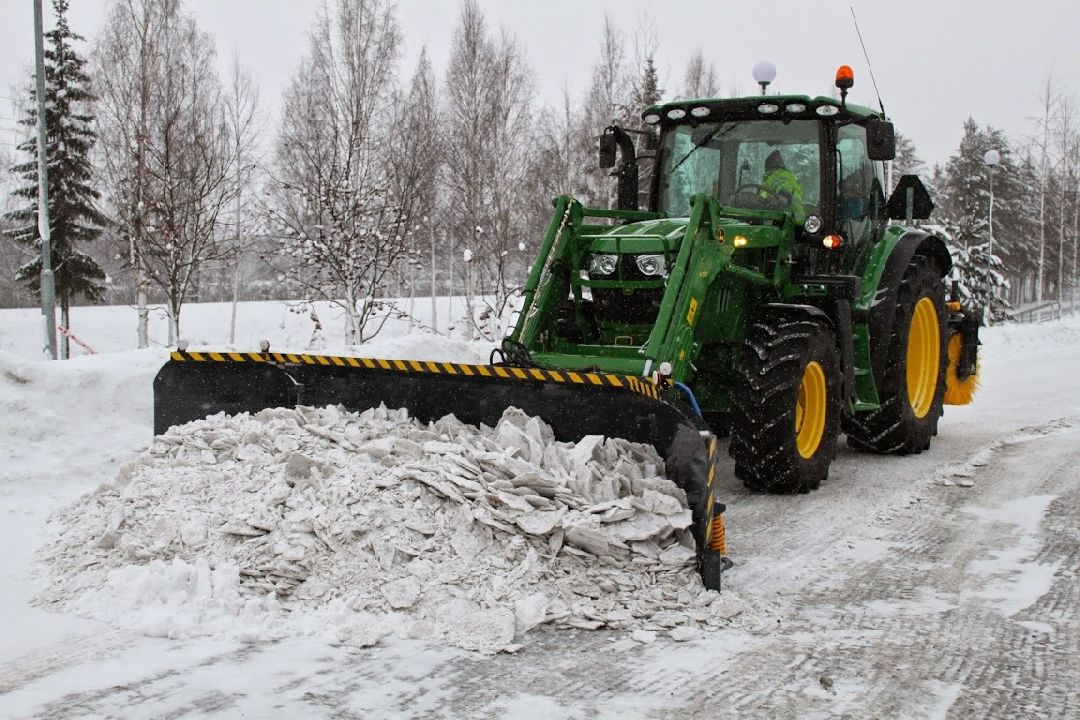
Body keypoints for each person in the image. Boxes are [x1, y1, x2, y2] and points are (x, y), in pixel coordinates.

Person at [758, 150, 806, 224]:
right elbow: (764, 196)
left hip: (790, 219)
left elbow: (783, 183)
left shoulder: (780, 174)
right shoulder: (768, 179)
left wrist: (783, 195)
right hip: (778, 217)